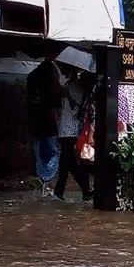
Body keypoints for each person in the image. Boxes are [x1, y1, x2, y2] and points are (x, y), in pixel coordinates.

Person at [51, 63, 93, 202]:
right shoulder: (86, 91)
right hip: (73, 130)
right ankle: (59, 192)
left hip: (67, 130)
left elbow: (61, 94)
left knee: (70, 163)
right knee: (65, 162)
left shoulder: (73, 87)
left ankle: (85, 190)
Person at [26, 61, 60, 192]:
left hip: (34, 123)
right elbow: (55, 106)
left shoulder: (32, 79)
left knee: (38, 151)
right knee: (54, 152)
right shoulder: (51, 83)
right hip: (48, 125)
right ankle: (44, 177)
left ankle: (40, 176)